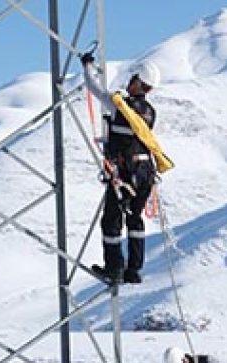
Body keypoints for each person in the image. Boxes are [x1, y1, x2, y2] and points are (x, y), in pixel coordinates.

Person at [81, 52, 161, 284]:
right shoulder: (150, 112)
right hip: (145, 173)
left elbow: (93, 88)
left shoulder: (121, 107)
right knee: (135, 219)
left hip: (124, 173)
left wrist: (87, 65)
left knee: (112, 221)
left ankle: (114, 268)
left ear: (136, 81)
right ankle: (134, 270)